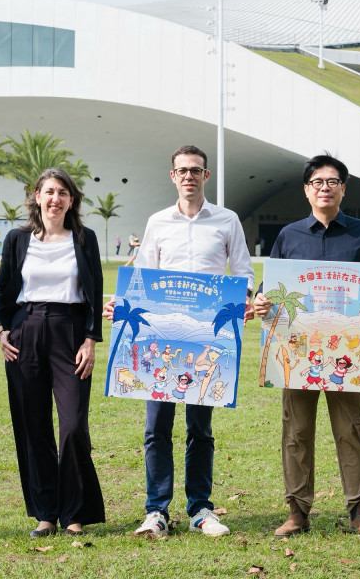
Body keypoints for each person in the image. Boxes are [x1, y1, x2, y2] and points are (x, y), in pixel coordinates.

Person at [106, 145, 253, 539]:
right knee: (157, 427)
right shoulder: (158, 222)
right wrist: (122, 307)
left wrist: (247, 300)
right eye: (182, 171)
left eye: (196, 170)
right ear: (172, 176)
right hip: (162, 339)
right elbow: (142, 278)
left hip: (206, 341)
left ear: (206, 176)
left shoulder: (227, 220)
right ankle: (156, 511)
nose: (189, 176)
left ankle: (200, 509)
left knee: (200, 429)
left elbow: (243, 271)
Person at [251, 154, 360, 539]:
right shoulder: (289, 235)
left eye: (332, 181)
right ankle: (297, 510)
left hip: (348, 353)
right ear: (306, 189)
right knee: (296, 431)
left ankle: (358, 510)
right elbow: (273, 287)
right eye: (317, 182)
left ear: (343, 188)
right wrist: (263, 301)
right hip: (297, 351)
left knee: (351, 429)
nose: (325, 188)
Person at [0, 168, 105, 538]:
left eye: (62, 193)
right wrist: (1, 329)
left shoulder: (85, 240)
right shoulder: (18, 239)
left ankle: (74, 511)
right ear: (37, 197)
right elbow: (3, 290)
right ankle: (45, 513)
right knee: (33, 426)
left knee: (73, 426)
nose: (55, 199)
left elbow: (95, 293)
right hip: (26, 331)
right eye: (48, 192)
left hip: (70, 332)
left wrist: (91, 339)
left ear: (71, 200)